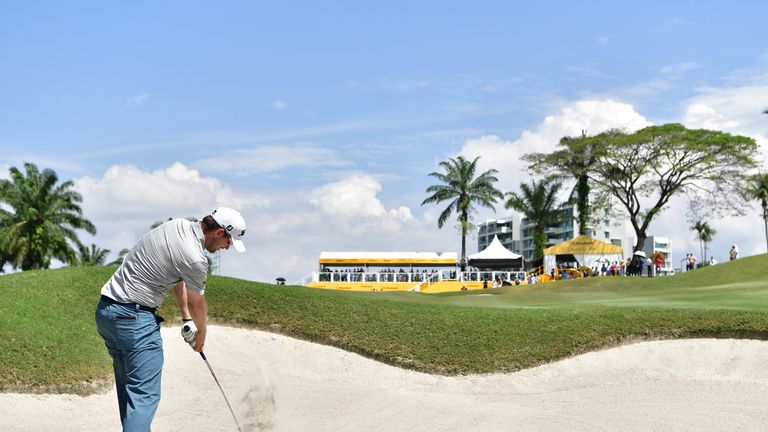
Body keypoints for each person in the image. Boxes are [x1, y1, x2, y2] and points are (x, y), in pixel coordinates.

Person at [95, 207, 246, 432]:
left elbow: (178, 278)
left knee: (131, 394)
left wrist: (186, 318)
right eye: (229, 241)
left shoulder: (178, 225)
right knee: (143, 397)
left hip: (107, 313)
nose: (228, 247)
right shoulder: (196, 259)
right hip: (135, 321)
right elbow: (198, 303)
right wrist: (201, 336)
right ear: (219, 232)